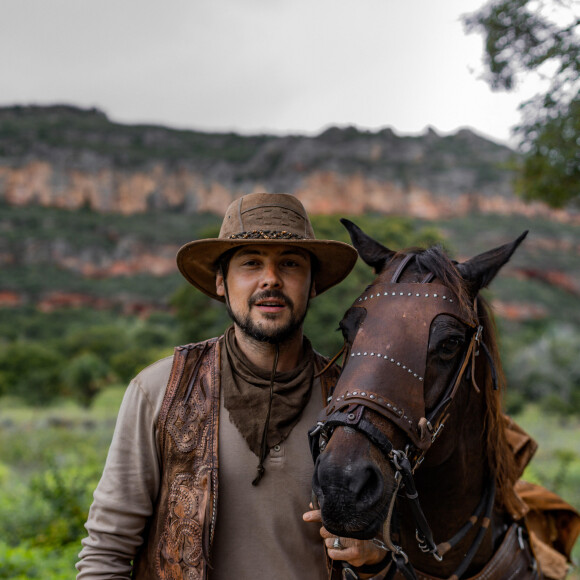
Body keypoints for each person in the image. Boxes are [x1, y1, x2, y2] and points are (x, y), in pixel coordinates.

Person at [76, 192, 388, 579]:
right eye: (251, 263)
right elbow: (105, 553)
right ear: (221, 282)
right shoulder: (159, 391)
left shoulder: (350, 403)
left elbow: (397, 548)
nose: (271, 279)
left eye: (289, 264)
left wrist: (375, 556)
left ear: (312, 286)